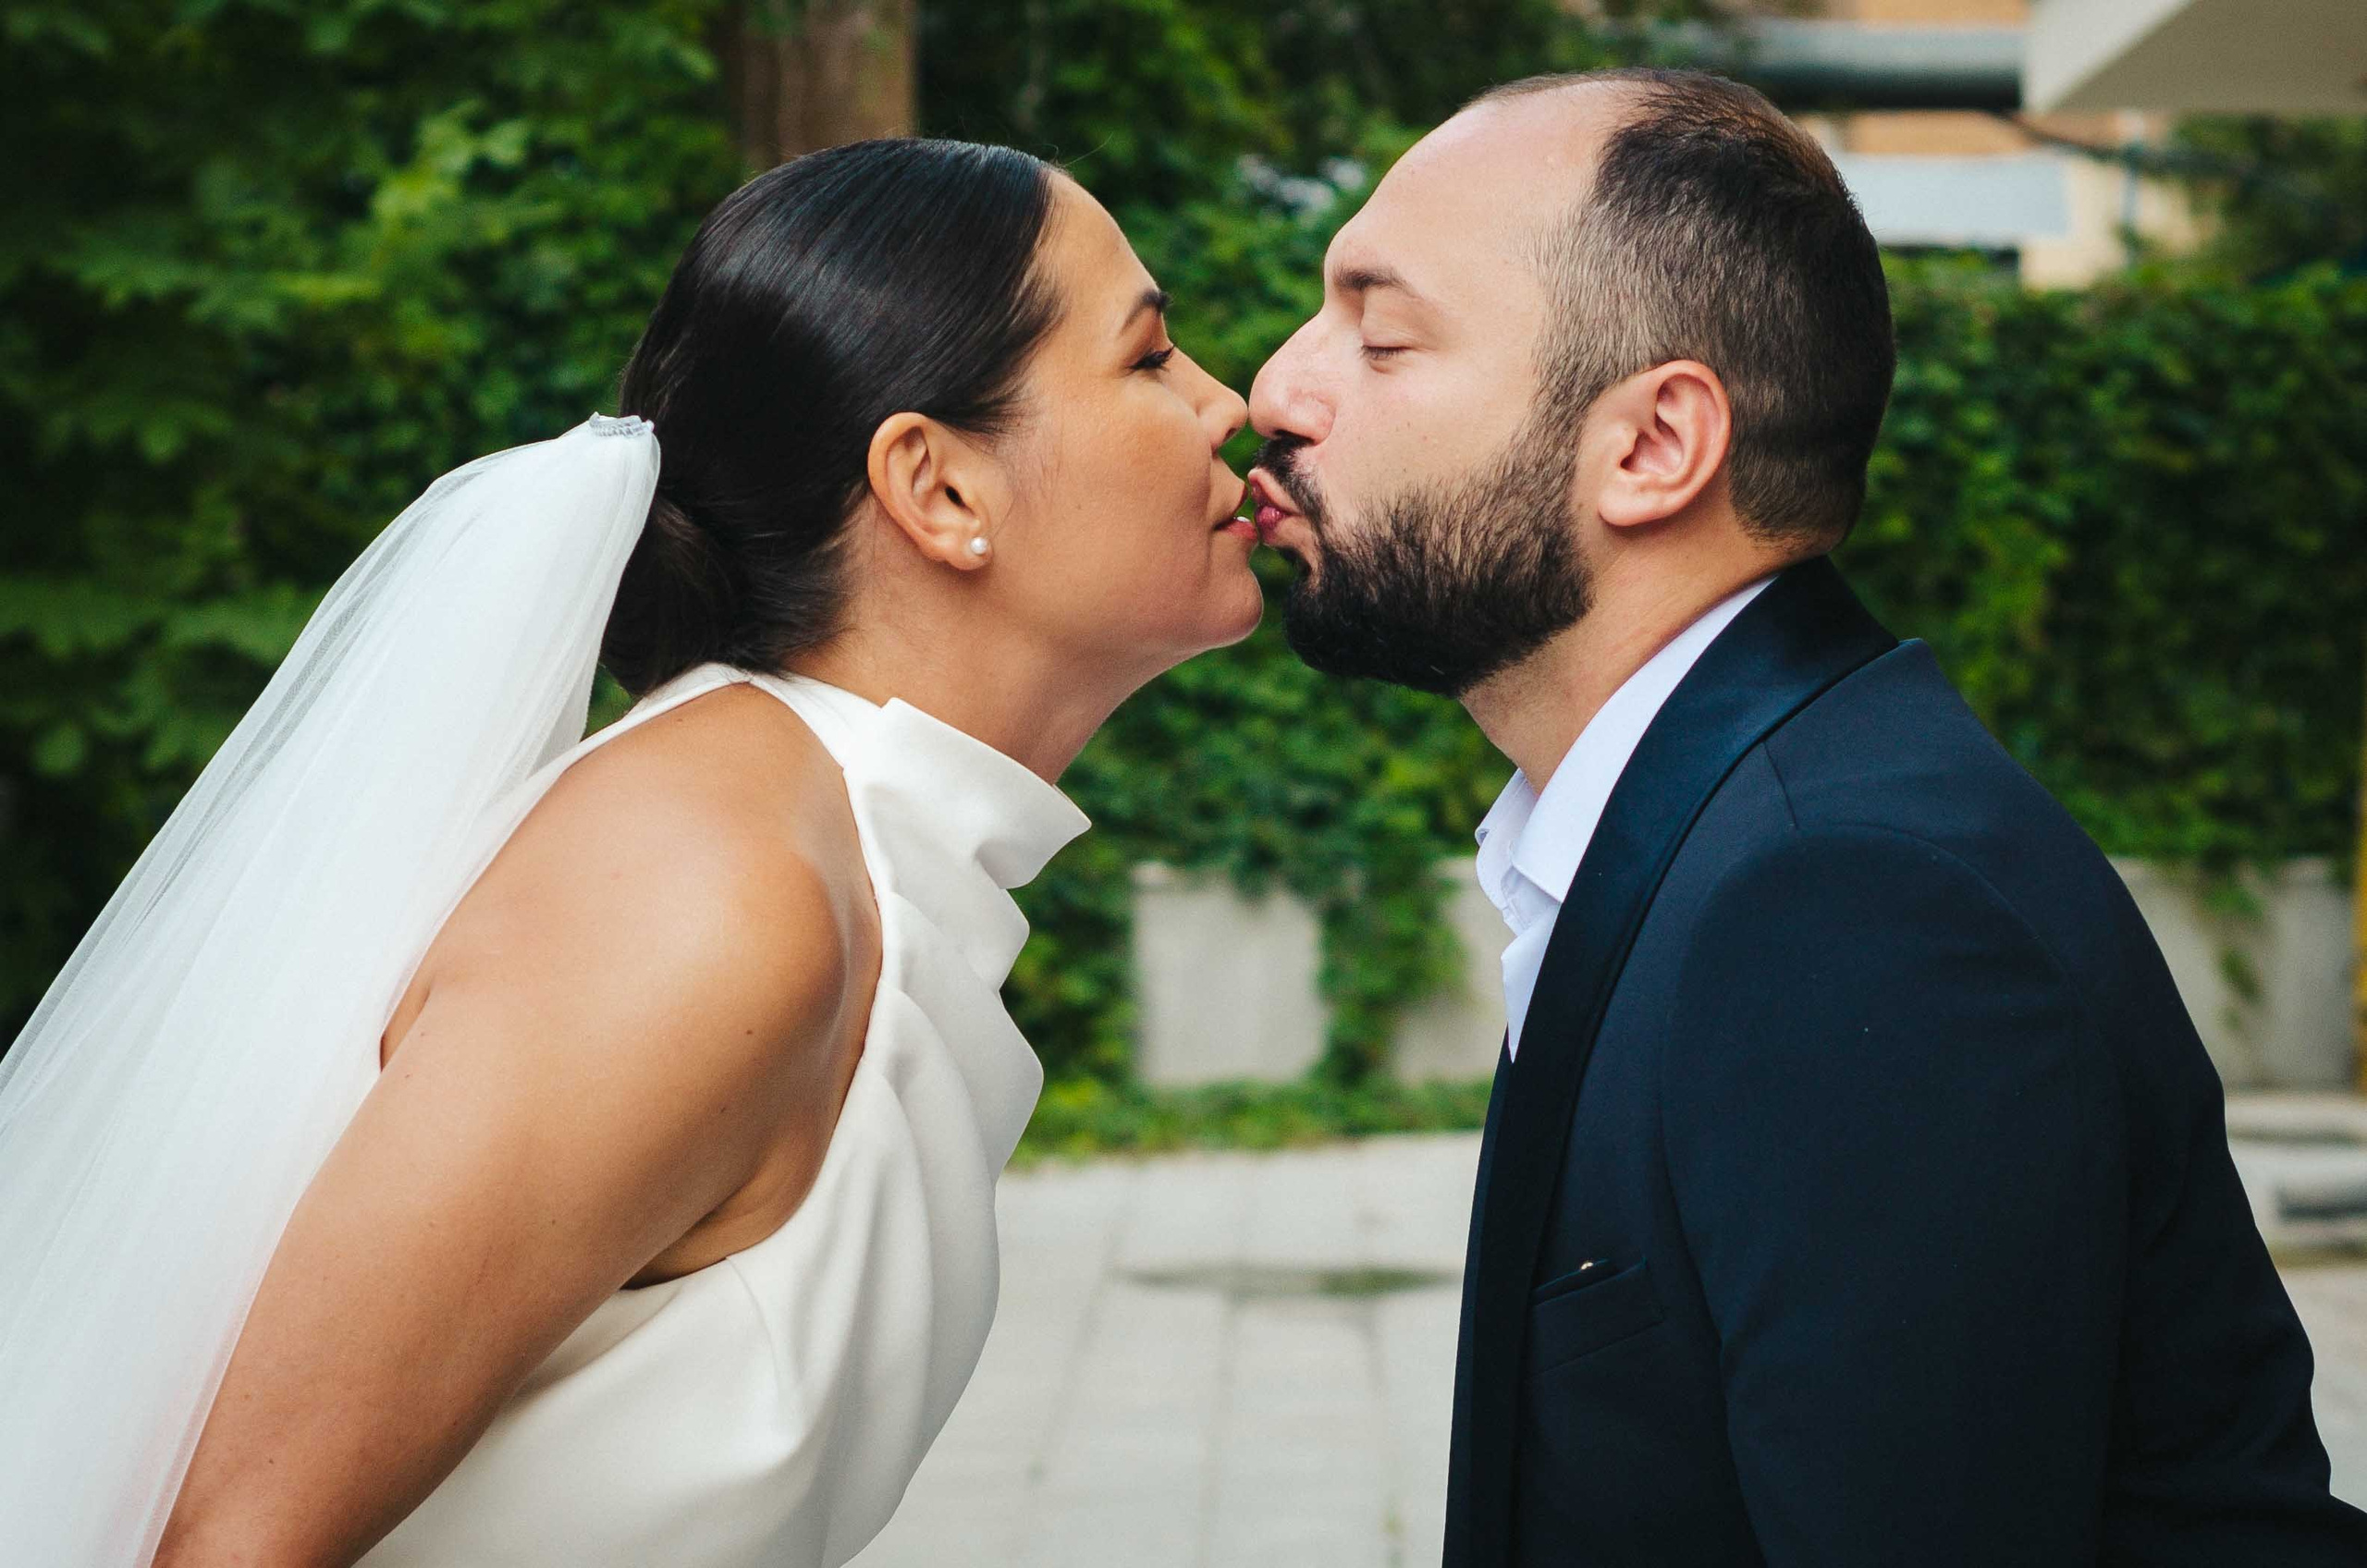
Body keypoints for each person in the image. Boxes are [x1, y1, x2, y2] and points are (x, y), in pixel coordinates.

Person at [0, 139, 1258, 1567]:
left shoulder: (825, 847)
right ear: (940, 489)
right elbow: (219, 1540)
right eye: (1152, 358)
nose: (1234, 403)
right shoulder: (706, 891)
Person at [1245, 67, 2367, 1566]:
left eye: (1383, 336)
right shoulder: (1727, 823)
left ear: (1651, 448)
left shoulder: (1847, 901)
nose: (1276, 387)